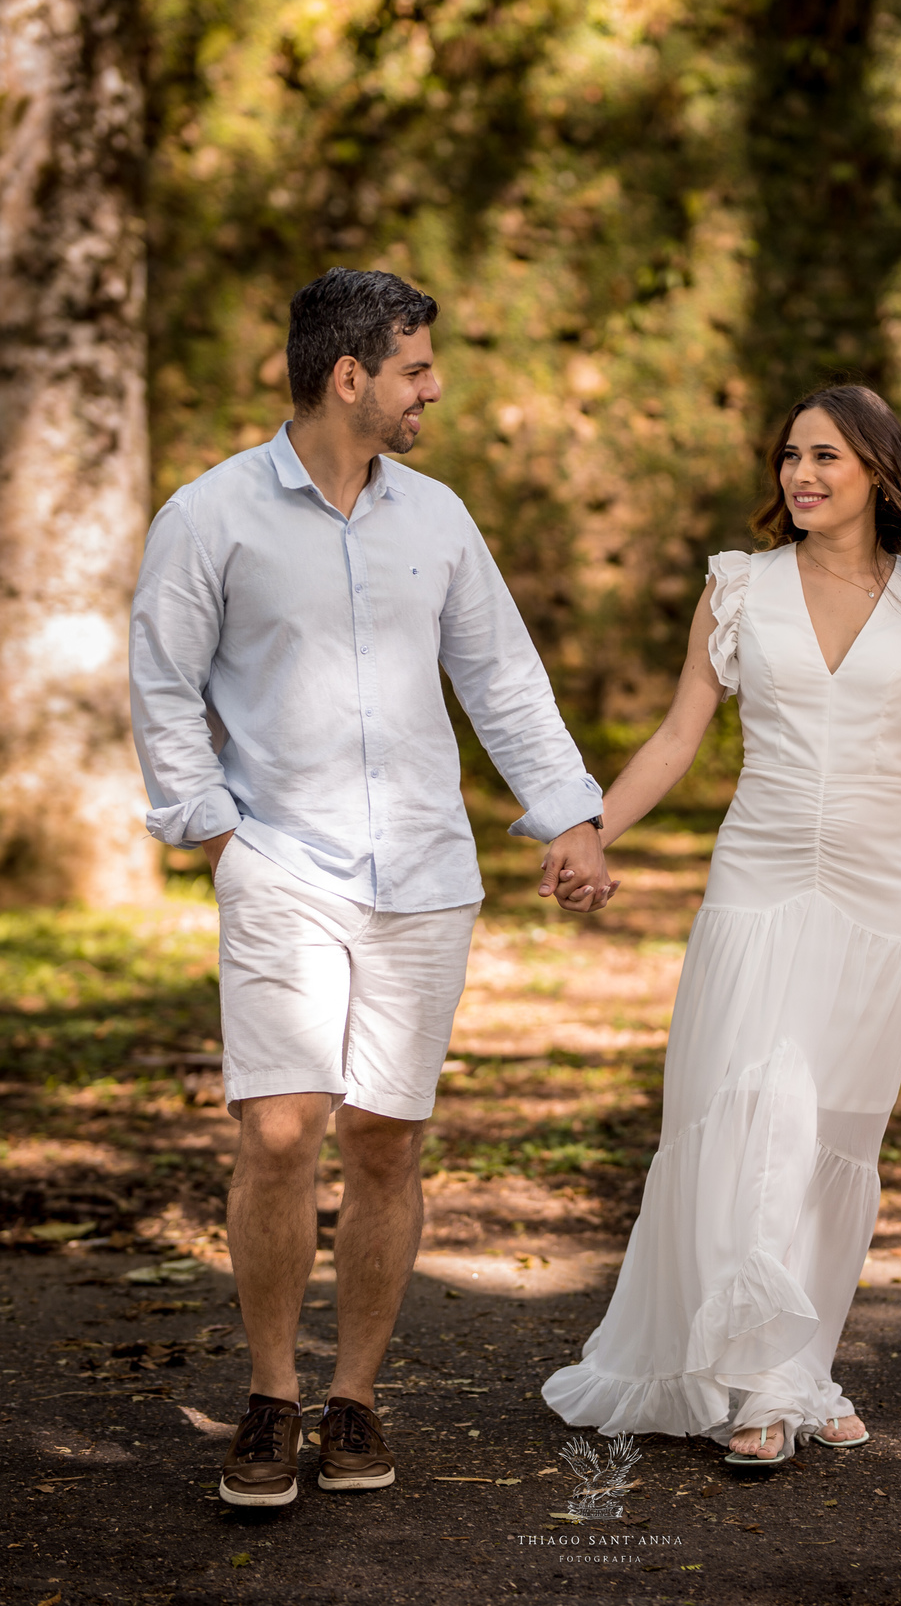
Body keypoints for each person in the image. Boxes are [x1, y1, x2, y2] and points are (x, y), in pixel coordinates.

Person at [129, 267, 614, 1508]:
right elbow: (164, 683)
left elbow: (502, 676)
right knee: (281, 1128)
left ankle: (354, 1400)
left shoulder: (437, 518)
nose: (430, 390)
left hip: (425, 874)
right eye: (414, 368)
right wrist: (214, 834)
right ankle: (271, 1396)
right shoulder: (210, 514)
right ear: (349, 376)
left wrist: (569, 813)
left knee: (386, 1139)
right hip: (281, 864)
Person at [543, 383, 901, 1463]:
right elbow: (679, 738)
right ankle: (763, 1387)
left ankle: (793, 1366)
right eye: (789, 457)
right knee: (754, 1105)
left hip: (881, 898)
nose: (801, 475)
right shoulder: (738, 589)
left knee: (829, 1139)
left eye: (826, 457)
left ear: (878, 472)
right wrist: (592, 830)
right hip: (758, 881)